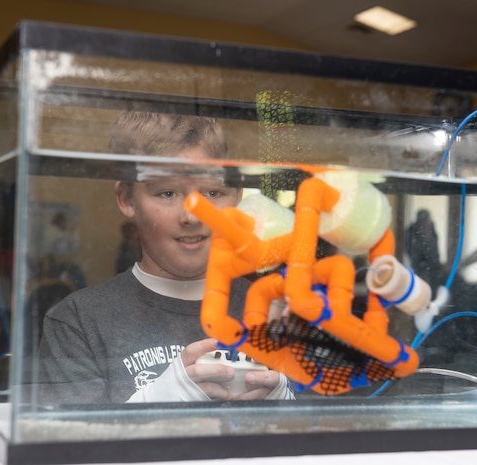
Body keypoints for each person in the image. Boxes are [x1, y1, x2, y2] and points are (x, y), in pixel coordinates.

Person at [37, 111, 294, 404]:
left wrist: (285, 402)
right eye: (167, 193)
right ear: (126, 199)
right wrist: (158, 400)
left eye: (213, 192)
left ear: (236, 195)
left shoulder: (275, 312)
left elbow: (333, 431)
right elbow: (71, 445)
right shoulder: (78, 322)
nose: (192, 216)